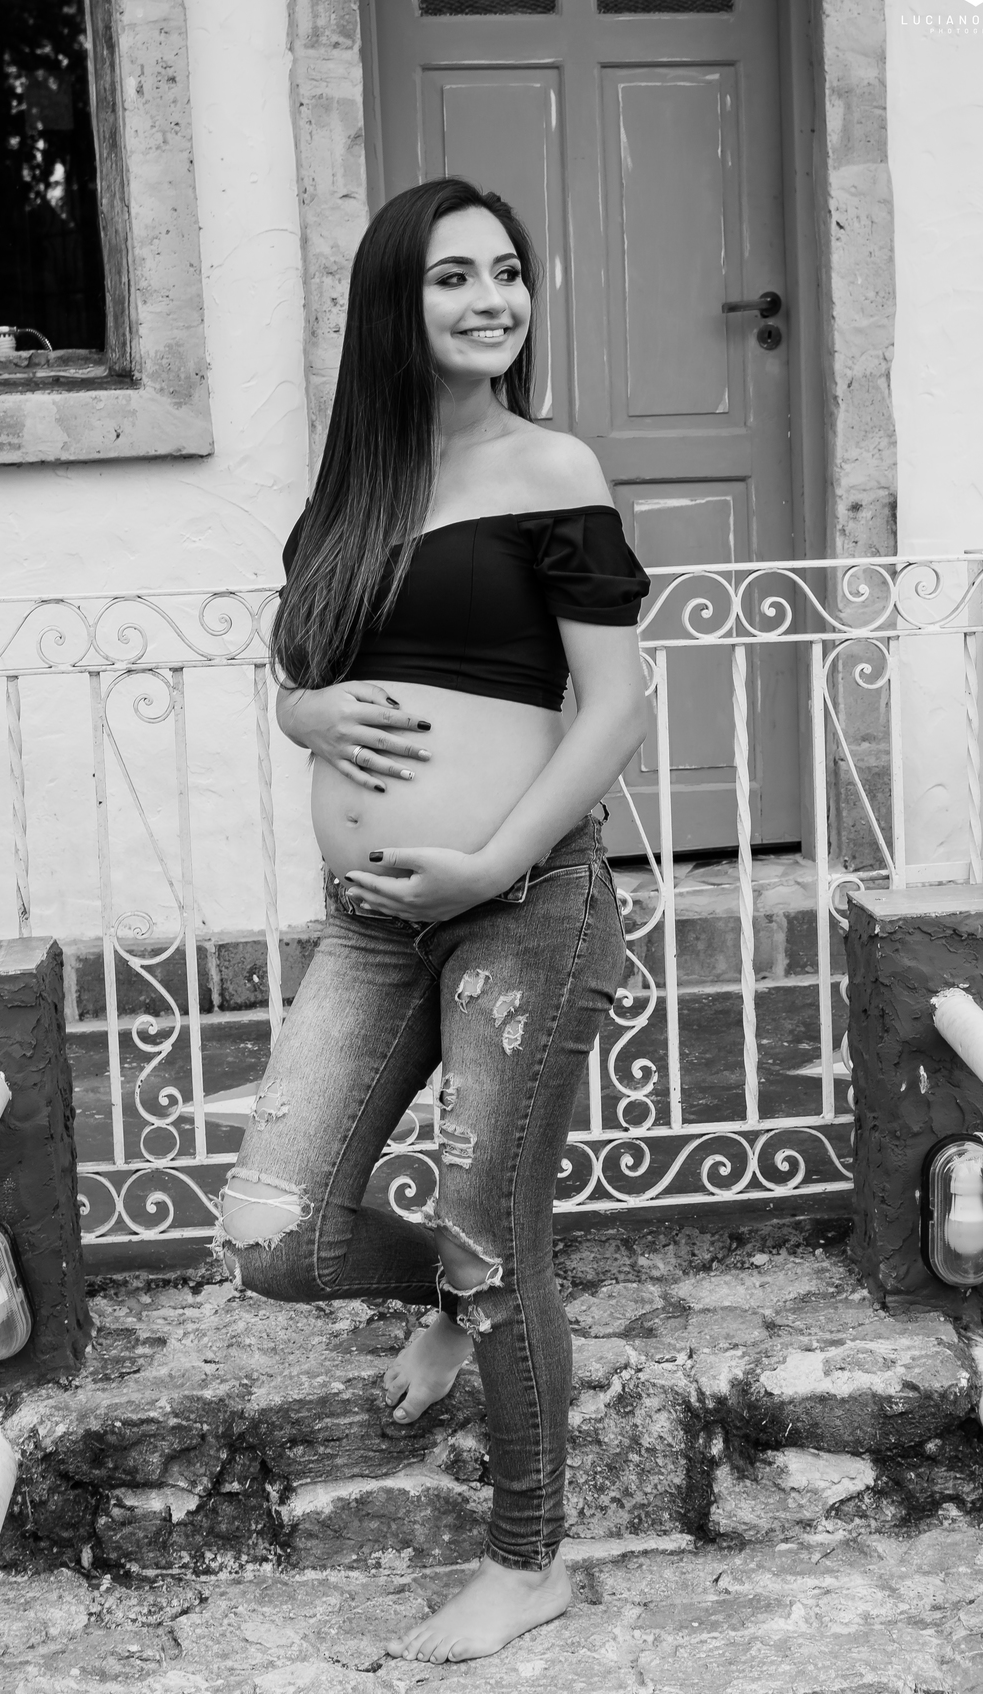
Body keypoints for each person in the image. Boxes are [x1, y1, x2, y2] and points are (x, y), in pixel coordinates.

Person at [216, 176, 650, 1665]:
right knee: (274, 1236)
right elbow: (302, 675)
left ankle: (529, 1561)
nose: (491, 299)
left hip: (524, 905)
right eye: (453, 275)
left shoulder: (552, 466)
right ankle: (469, 1287)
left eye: (507, 273)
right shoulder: (353, 490)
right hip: (371, 925)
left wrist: (493, 858)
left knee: (492, 1231)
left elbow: (614, 706)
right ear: (392, 305)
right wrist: (302, 712)